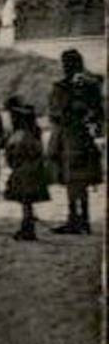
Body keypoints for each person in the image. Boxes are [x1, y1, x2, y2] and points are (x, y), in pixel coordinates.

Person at [46, 48, 104, 235]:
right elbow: (99, 113)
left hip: (68, 138)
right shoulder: (92, 85)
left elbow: (55, 113)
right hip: (86, 139)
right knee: (83, 181)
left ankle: (73, 219)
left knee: (71, 180)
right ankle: (84, 220)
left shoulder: (61, 87)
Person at [3, 97, 49, 241]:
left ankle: (27, 228)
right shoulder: (34, 134)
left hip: (23, 170)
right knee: (28, 201)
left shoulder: (20, 136)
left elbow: (12, 154)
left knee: (25, 201)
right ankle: (28, 227)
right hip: (34, 169)